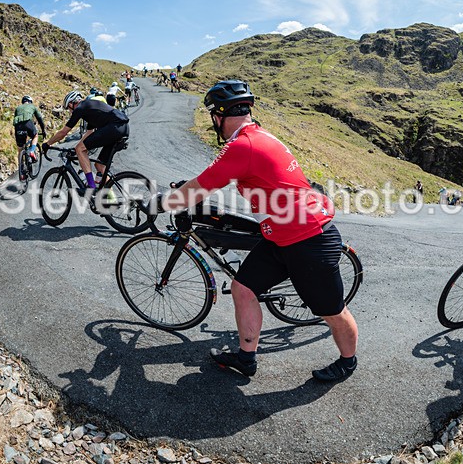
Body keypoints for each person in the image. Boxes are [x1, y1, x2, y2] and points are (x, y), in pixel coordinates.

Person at [151, 80, 359, 382]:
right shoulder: (257, 136)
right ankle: (246, 358)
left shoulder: (242, 145)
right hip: (280, 236)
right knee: (243, 288)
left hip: (309, 238)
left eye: (213, 116)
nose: (213, 122)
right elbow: (210, 179)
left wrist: (159, 204)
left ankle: (347, 362)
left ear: (220, 115)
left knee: (332, 311)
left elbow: (199, 188)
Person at [42, 90, 129, 191]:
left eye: (68, 108)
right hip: (123, 128)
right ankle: (110, 198)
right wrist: (77, 148)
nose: (69, 111)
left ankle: (91, 186)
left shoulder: (80, 108)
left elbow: (63, 132)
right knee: (99, 166)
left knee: (81, 149)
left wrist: (47, 144)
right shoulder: (90, 108)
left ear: (71, 103)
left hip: (115, 127)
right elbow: (89, 132)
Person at [13, 95, 45, 180]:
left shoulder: (18, 108)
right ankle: (31, 151)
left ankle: (21, 172)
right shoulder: (32, 106)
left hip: (18, 127)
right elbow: (40, 119)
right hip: (28, 123)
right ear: (30, 101)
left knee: (20, 150)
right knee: (35, 136)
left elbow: (16, 119)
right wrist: (43, 130)